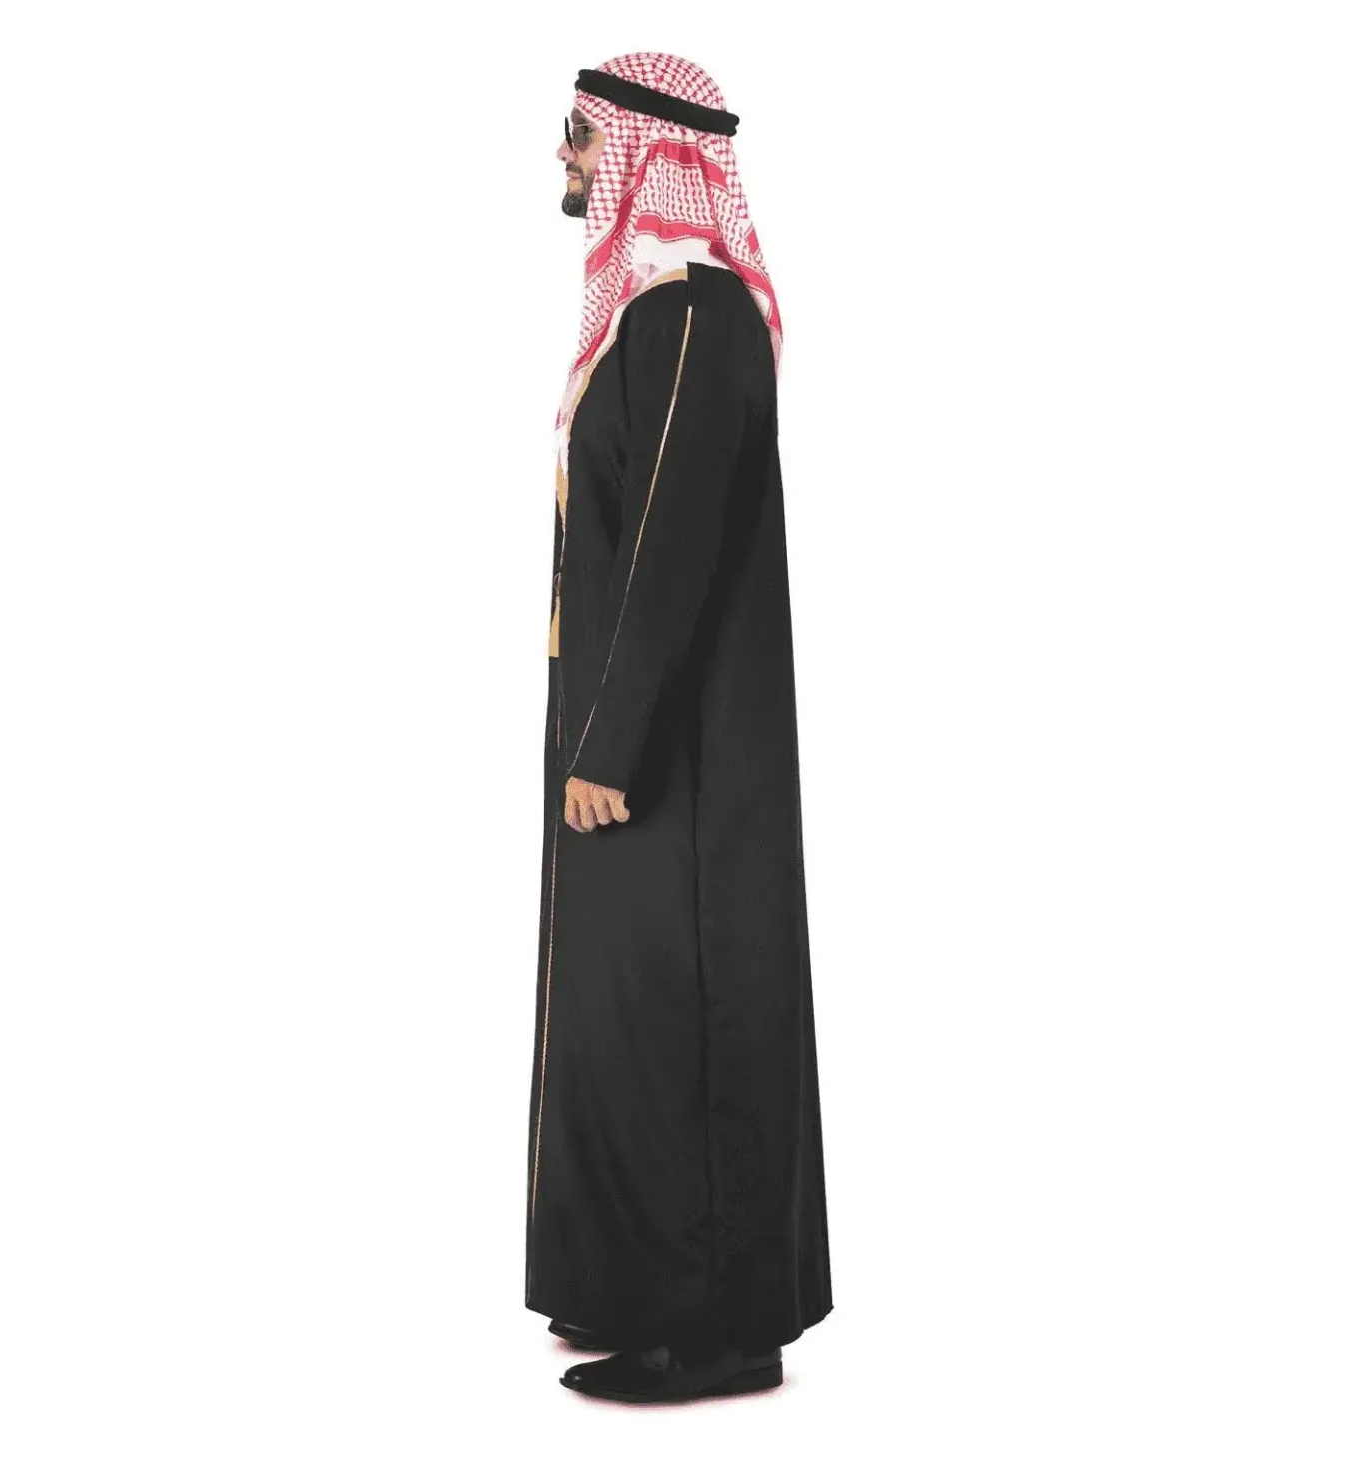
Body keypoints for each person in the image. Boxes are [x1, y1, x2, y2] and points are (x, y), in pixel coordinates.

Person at [526, 52, 832, 1404]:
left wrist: (612, 743)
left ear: (649, 152)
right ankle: (626, 1282)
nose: (565, 161)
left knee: (680, 1012)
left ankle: (715, 1329)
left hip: (681, 761)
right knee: (621, 1011)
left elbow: (671, 548)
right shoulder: (647, 321)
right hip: (631, 736)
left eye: (581, 138)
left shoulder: (698, 315)